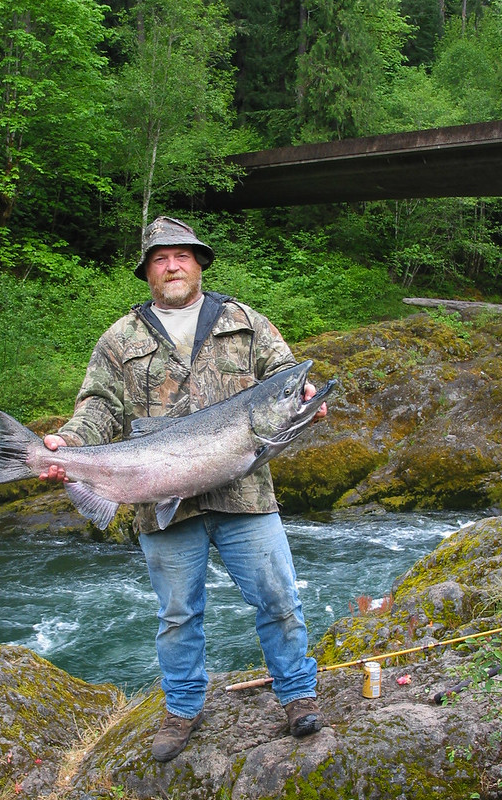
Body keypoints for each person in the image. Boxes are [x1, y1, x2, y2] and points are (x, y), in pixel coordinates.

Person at [40, 216, 327, 762]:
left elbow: (286, 376)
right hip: (158, 499)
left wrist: (307, 394)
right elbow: (98, 406)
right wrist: (68, 445)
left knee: (279, 598)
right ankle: (182, 709)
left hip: (245, 496)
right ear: (147, 271)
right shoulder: (120, 338)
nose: (172, 265)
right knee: (177, 614)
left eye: (182, 256)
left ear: (199, 262)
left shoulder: (245, 320)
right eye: (159, 258)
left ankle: (297, 694)